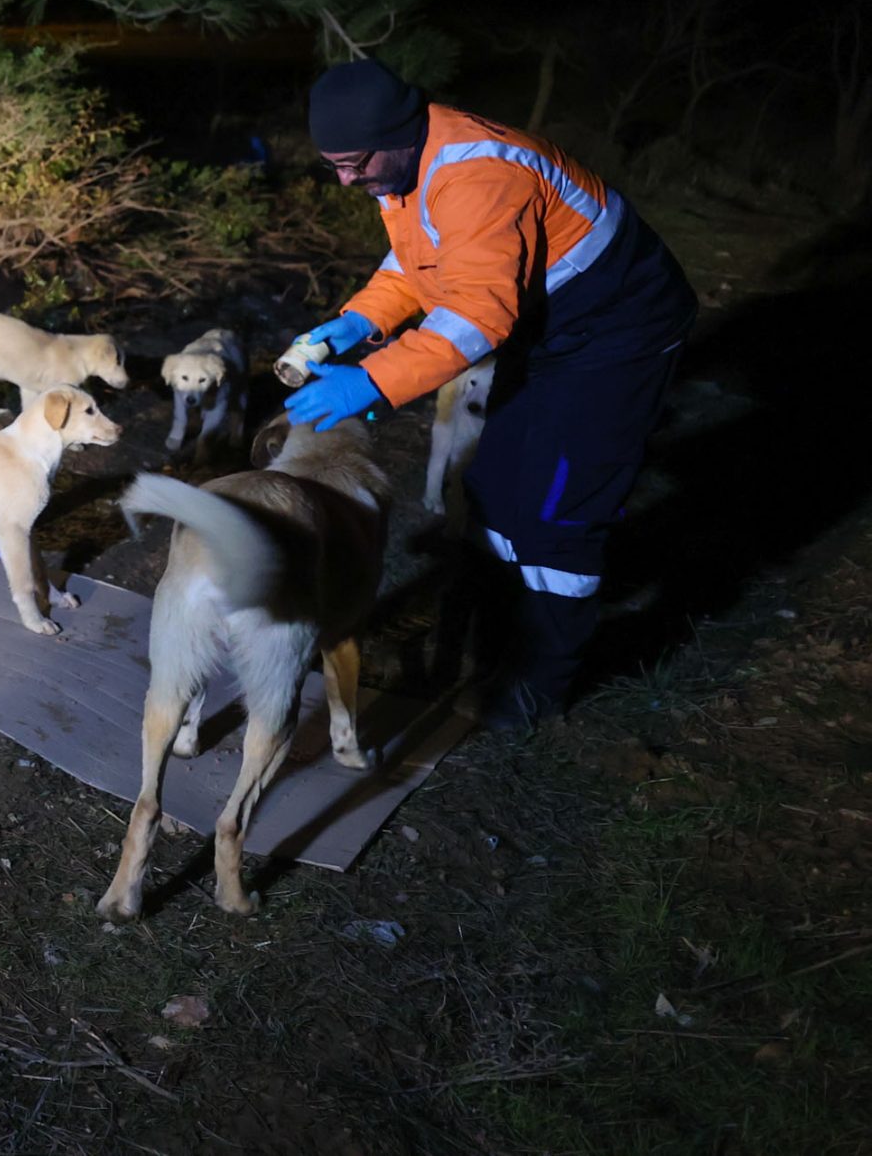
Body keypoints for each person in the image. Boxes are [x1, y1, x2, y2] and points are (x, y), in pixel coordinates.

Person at [285, 58, 696, 729]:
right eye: (333, 164)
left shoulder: (477, 172)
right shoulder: (401, 165)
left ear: (396, 132)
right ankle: (487, 640)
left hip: (619, 326)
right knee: (497, 485)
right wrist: (361, 318)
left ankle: (536, 685)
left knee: (561, 508)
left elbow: (476, 314)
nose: (345, 179)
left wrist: (375, 379)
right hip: (546, 324)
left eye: (353, 162)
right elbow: (420, 264)